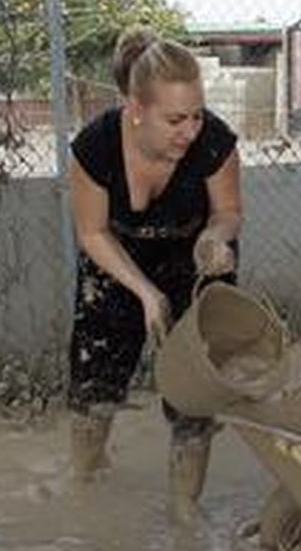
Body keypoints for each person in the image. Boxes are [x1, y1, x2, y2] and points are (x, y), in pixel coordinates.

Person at [66, 27, 242, 518]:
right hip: (117, 263)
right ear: (136, 108)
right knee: (94, 381)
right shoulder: (94, 148)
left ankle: (185, 512)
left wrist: (215, 239)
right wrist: (144, 293)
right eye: (175, 119)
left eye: (197, 115)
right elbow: (93, 233)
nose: (190, 131)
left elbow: (228, 211)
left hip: (195, 263)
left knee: (193, 396)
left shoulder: (215, 143)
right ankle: (85, 482)